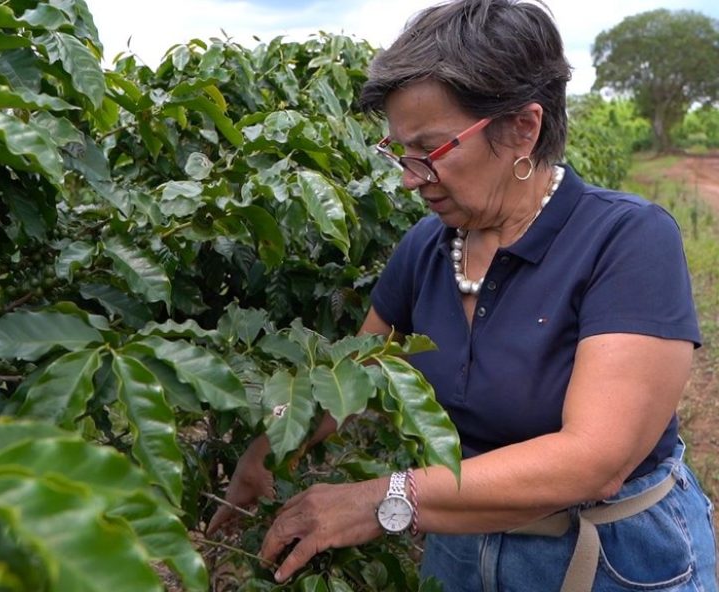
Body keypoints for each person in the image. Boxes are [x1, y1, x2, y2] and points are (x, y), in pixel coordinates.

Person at [208, 0, 719, 590]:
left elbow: (594, 461)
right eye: (398, 150)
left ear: (523, 127)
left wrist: (381, 498)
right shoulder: (428, 247)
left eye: (431, 150)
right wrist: (271, 446)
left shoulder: (627, 238)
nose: (407, 176)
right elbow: (351, 375)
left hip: (611, 558)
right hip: (460, 546)